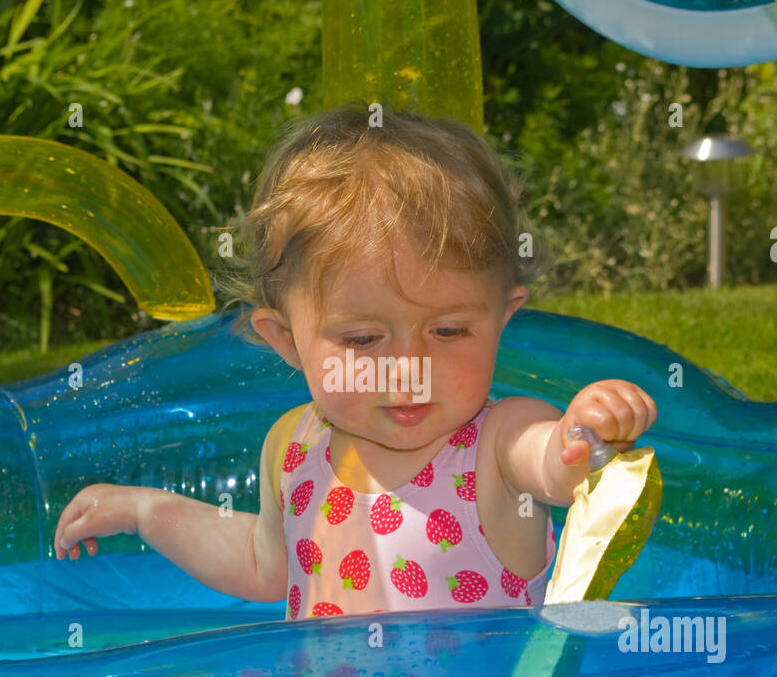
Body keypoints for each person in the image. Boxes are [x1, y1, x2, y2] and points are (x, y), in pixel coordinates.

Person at [54, 103, 656, 620]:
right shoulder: (291, 446)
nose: (405, 366)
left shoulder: (500, 442)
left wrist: (583, 432)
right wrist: (149, 511)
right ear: (286, 340)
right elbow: (267, 564)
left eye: (448, 330)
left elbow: (554, 467)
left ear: (503, 314)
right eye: (364, 340)